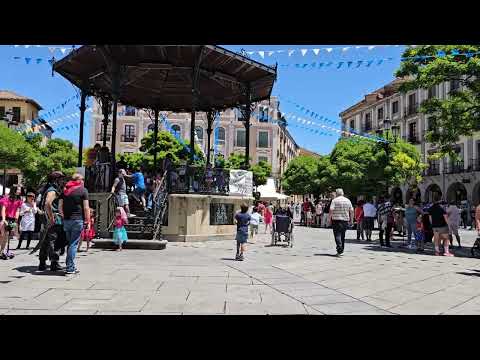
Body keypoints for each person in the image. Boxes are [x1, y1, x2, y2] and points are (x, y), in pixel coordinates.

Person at [59, 173, 90, 274]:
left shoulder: (65, 191)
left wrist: (63, 216)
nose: (83, 181)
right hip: (77, 220)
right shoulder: (83, 190)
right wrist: (88, 220)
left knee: (70, 243)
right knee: (73, 244)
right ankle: (70, 267)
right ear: (78, 180)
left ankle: (69, 265)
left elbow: (60, 207)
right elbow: (86, 208)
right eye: (82, 179)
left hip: (67, 221)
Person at [37, 171, 66, 271]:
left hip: (46, 219)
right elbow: (47, 203)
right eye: (61, 179)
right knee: (54, 240)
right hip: (53, 219)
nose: (63, 181)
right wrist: (51, 217)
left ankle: (42, 262)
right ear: (56, 180)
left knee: (45, 240)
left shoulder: (47, 188)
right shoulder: (52, 190)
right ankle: (54, 263)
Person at [0, 185, 24, 259]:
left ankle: (2, 251)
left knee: (7, 236)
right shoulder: (6, 199)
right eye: (18, 190)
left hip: (12, 219)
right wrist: (3, 220)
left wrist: (16, 220)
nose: (19, 191)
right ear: (14, 190)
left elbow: (17, 210)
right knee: (2, 235)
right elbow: (3, 209)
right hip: (4, 218)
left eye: (20, 190)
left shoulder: (19, 200)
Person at [329, 188, 354, 257]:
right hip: (345, 220)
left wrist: (329, 219)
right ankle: (341, 249)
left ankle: (339, 248)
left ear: (337, 194)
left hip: (336, 220)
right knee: (342, 235)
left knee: (337, 235)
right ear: (342, 193)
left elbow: (331, 209)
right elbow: (351, 210)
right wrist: (351, 220)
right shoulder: (348, 200)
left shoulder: (334, 200)